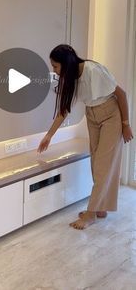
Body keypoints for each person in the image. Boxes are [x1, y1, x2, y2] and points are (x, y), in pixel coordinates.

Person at [37, 44, 133, 230]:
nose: (55, 71)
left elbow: (121, 94)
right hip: (92, 116)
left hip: (111, 115)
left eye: (56, 66)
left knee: (103, 166)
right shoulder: (71, 78)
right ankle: (101, 207)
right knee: (96, 163)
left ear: (67, 63)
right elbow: (63, 110)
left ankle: (91, 214)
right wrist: (49, 135)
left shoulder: (93, 71)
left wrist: (126, 125)